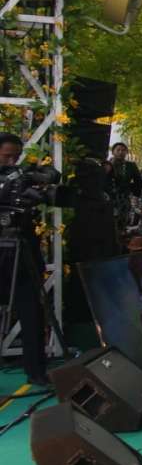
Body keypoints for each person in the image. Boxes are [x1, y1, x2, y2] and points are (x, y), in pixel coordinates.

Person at [0, 132, 49, 385]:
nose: (12, 161)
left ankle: (36, 371)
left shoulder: (22, 178)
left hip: (23, 250)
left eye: (16, 156)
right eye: (7, 156)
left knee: (32, 311)